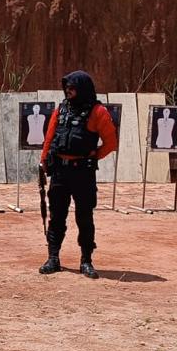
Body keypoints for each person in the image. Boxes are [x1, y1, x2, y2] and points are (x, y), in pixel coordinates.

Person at [38, 70, 118, 279]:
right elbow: (50, 136)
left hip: (83, 173)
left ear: (82, 88)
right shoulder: (61, 109)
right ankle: (53, 258)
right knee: (56, 217)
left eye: (72, 87)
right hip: (60, 172)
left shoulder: (98, 112)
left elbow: (111, 143)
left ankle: (86, 261)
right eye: (66, 87)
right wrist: (44, 160)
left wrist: (92, 157)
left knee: (84, 217)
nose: (68, 91)